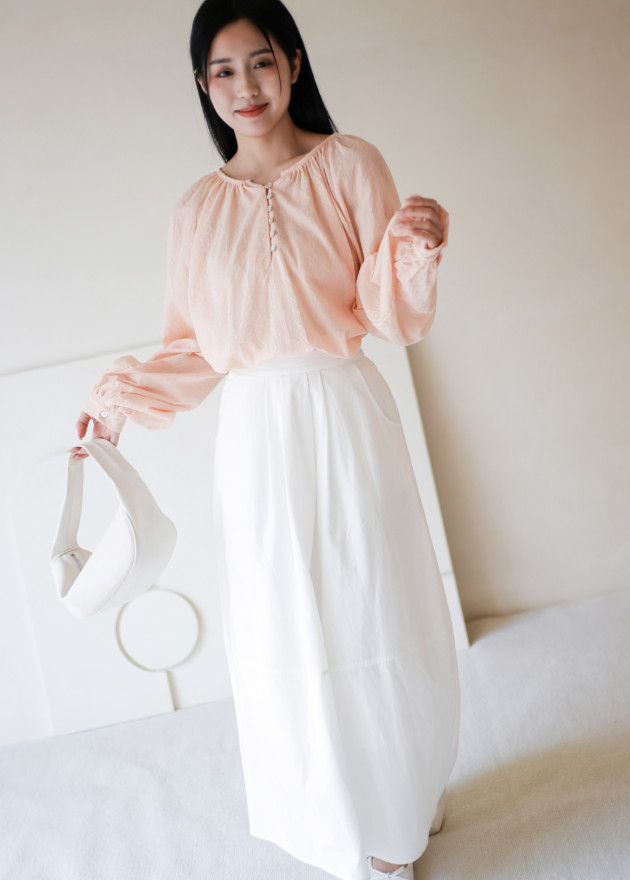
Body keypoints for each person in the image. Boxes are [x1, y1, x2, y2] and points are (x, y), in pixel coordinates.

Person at [72, 1, 460, 878]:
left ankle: (399, 806)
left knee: (372, 601)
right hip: (255, 434)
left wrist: (412, 250)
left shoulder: (352, 163)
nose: (244, 87)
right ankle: (339, 816)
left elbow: (388, 315)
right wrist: (117, 403)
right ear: (202, 86)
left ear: (292, 62)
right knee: (284, 623)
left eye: (259, 62)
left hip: (344, 411)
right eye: (222, 71)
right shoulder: (196, 210)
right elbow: (197, 349)